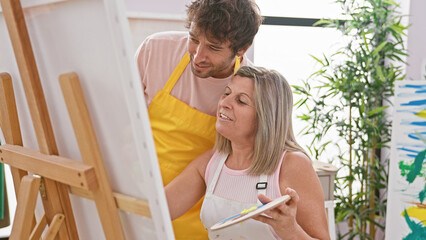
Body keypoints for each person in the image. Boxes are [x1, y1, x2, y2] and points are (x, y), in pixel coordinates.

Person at [135, 0, 262, 238]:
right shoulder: (156, 50)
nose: (198, 56)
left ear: (242, 48)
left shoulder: (250, 90)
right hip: (140, 200)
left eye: (213, 48)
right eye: (194, 39)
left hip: (202, 214)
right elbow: (123, 125)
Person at [165, 66, 330, 239]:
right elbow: (157, 209)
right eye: (227, 93)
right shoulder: (211, 163)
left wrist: (291, 230)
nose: (224, 103)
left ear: (265, 117)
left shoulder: (292, 165)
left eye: (241, 101)